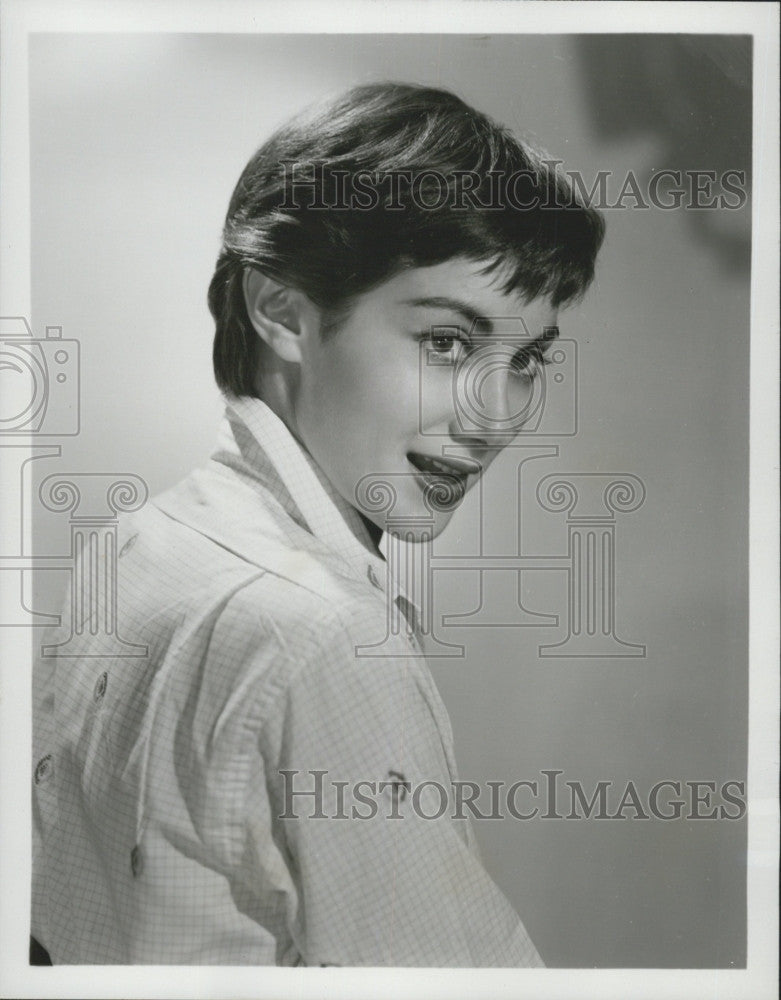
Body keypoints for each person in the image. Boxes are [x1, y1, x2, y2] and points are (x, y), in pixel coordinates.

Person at [31, 82, 604, 966]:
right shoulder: (325, 637)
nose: (495, 415)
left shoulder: (138, 541)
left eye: (525, 359)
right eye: (447, 341)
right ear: (281, 311)